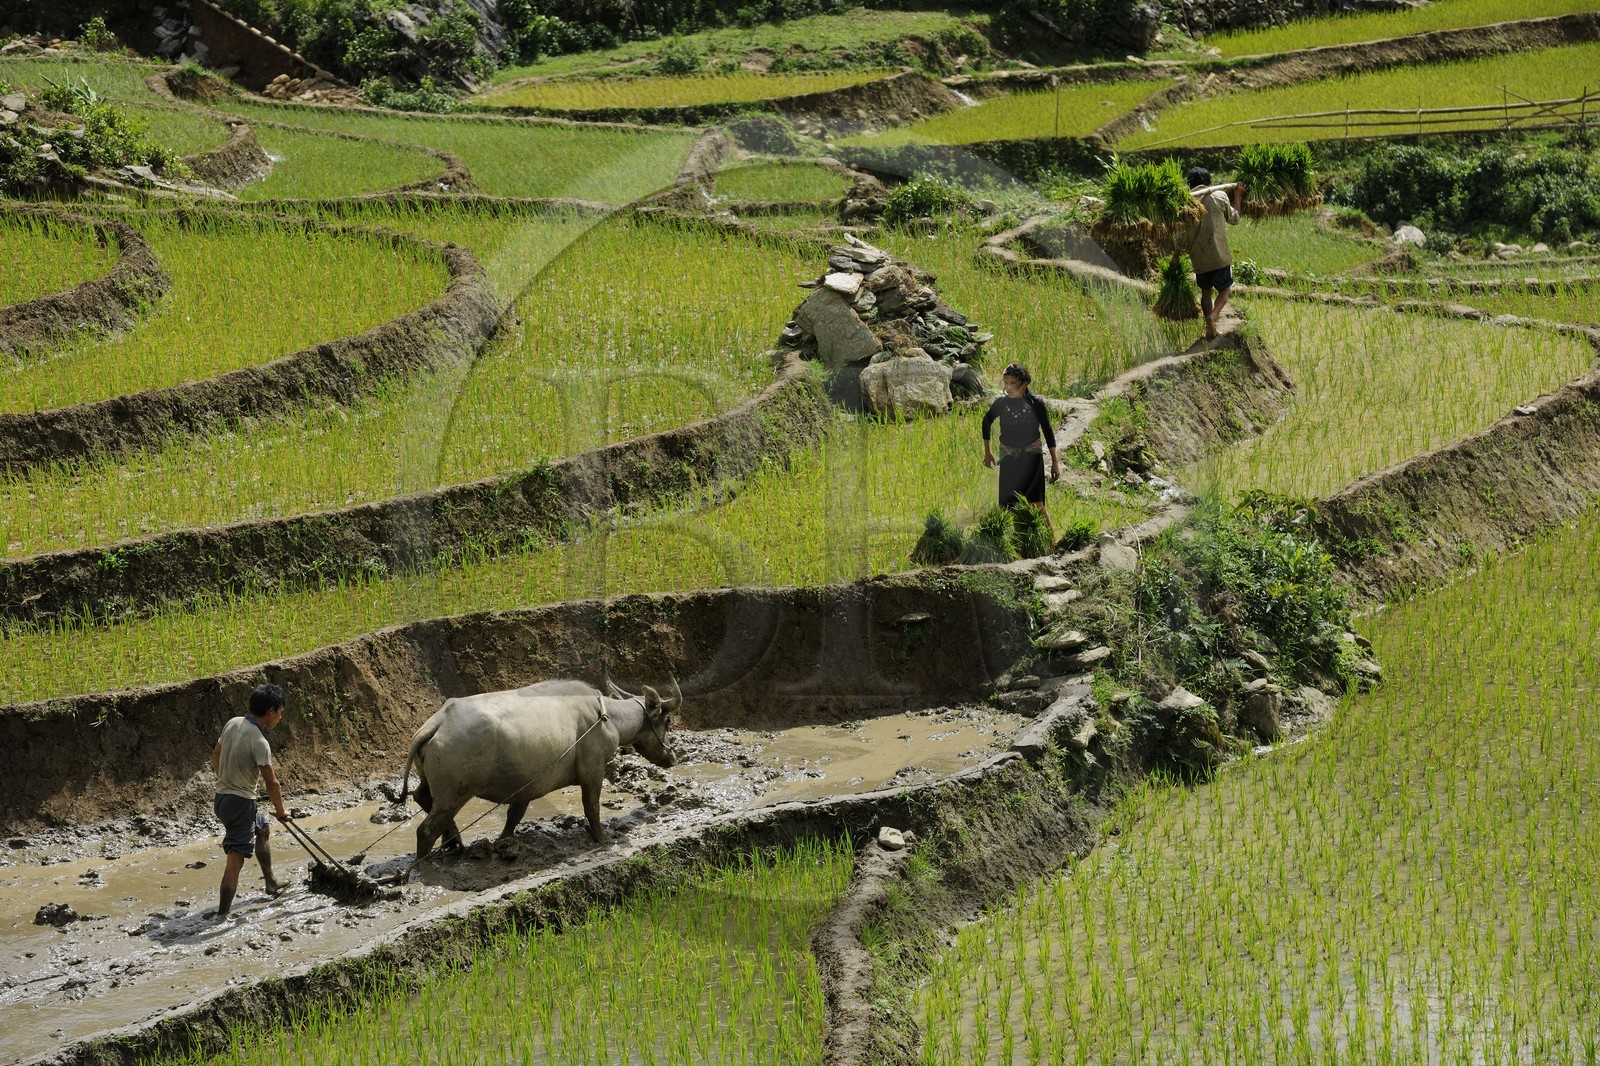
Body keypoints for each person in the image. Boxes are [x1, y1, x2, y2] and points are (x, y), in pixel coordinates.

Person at [210, 683, 291, 919]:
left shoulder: (233, 723)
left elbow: (215, 756)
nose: (280, 717)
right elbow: (272, 783)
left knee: (262, 827)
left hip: (222, 798)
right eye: (280, 712)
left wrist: (225, 780)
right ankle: (222, 915)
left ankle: (271, 883)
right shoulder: (259, 741)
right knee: (234, 862)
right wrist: (281, 811)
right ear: (271, 711)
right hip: (240, 803)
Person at [981, 362, 1060, 511]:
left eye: (1013, 383)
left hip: (1032, 457)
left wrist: (1055, 462)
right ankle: (1017, 534)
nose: (1008, 387)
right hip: (1008, 456)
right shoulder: (1001, 404)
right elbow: (986, 421)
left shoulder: (1036, 404)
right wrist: (987, 452)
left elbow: (1048, 431)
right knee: (1008, 505)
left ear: (1024, 383)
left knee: (1036, 504)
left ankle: (1050, 535)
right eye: (1006, 383)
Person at [1186, 165, 1245, 341]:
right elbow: (1235, 218)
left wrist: (1175, 257)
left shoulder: (1186, 203)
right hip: (1218, 255)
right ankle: (1213, 316)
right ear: (1209, 182)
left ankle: (1209, 329)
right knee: (1225, 290)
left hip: (1198, 258)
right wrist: (1238, 196)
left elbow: (1180, 235)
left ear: (1190, 185)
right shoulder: (1219, 196)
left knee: (1205, 291)